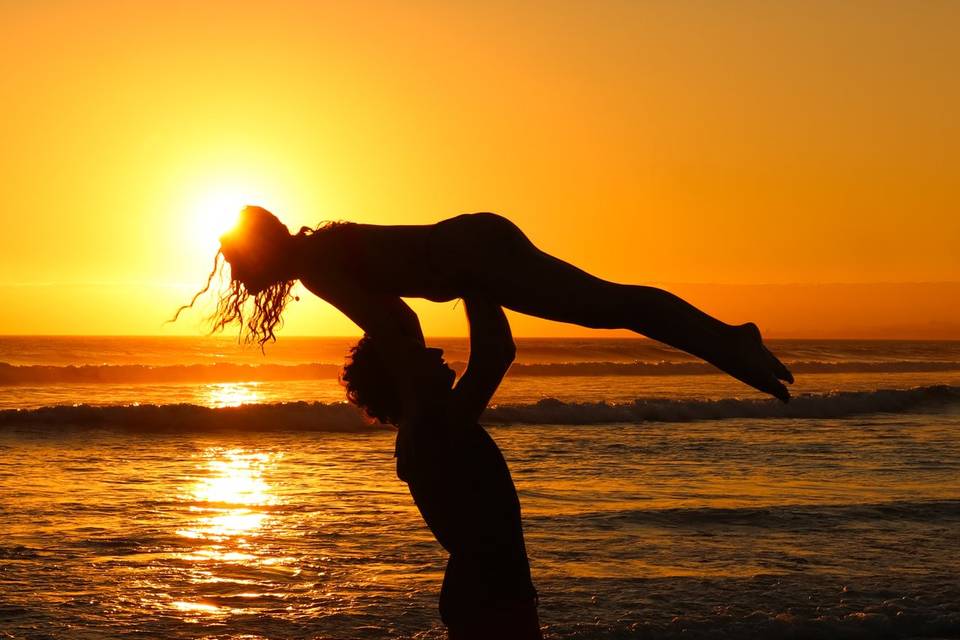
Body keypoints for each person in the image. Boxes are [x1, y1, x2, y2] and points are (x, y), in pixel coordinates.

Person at [176, 205, 794, 401]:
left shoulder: (314, 266)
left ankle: (728, 342)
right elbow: (399, 316)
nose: (233, 271)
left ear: (262, 250)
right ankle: (725, 340)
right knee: (613, 302)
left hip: (475, 256)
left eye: (235, 259)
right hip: (473, 241)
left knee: (613, 306)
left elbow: (399, 321)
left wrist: (417, 393)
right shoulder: (321, 251)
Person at [341, 297, 542, 638]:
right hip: (489, 600)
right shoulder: (433, 429)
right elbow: (495, 354)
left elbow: (405, 318)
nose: (435, 352)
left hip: (488, 593)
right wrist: (474, 282)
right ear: (402, 378)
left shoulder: (429, 426)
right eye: (418, 353)